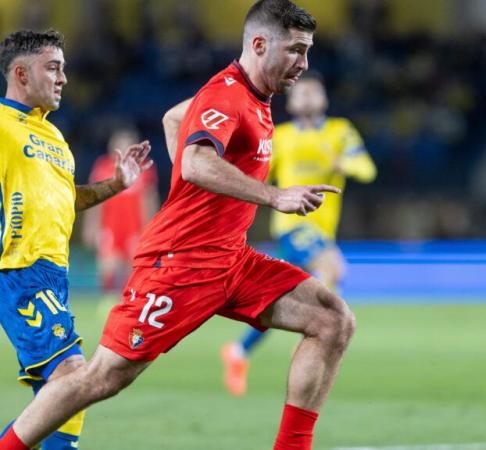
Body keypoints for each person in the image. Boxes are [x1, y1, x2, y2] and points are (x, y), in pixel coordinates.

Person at [0, 2, 355, 450]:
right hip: (181, 263)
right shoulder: (227, 97)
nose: (304, 63)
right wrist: (273, 196)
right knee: (101, 377)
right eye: (296, 50)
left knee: (332, 319)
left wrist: (196, 204)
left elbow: (174, 119)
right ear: (260, 44)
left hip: (230, 257)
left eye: (307, 52)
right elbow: (193, 161)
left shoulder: (253, 98)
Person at [0, 30, 153, 450]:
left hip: (54, 274)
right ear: (21, 74)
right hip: (18, 270)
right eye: (53, 68)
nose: (63, 77)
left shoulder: (53, 139)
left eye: (64, 68)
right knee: (74, 375)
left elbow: (68, 198)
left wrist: (116, 185)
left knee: (60, 393)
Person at [220, 70, 376, 396]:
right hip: (293, 226)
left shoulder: (340, 131)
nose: (306, 97)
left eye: (313, 92)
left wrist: (343, 165)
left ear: (324, 99)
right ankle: (315, 337)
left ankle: (237, 352)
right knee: (333, 268)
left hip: (322, 230)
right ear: (290, 101)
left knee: (274, 299)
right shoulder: (281, 136)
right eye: (300, 93)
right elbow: (258, 173)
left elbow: (366, 169)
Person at [82, 125, 159, 297]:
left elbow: (149, 201)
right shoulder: (102, 166)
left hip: (134, 227)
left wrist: (151, 230)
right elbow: (94, 199)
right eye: (119, 144)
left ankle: (130, 303)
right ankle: (107, 303)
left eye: (127, 143)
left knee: (134, 270)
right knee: (108, 267)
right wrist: (91, 226)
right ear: (112, 146)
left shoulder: (144, 169)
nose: (124, 147)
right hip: (111, 226)